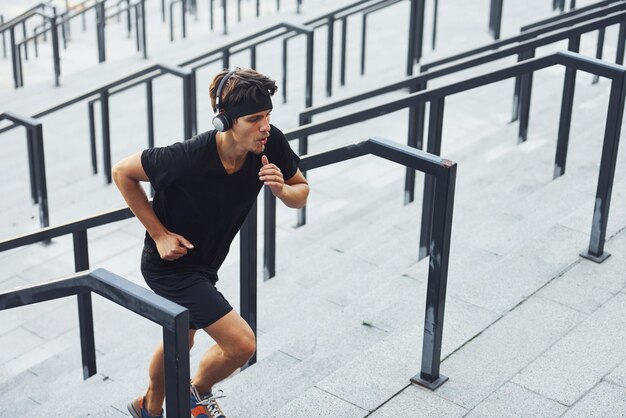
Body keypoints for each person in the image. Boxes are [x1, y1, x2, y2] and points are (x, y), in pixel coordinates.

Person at [112, 68, 309, 418]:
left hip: (207, 263)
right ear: (224, 122)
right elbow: (122, 172)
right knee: (241, 344)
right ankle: (194, 394)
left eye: (267, 116)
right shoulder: (187, 157)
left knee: (181, 338)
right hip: (171, 265)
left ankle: (148, 406)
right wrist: (159, 234)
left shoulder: (269, 142)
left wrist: (282, 190)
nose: (264, 126)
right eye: (254, 119)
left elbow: (302, 192)